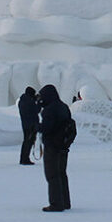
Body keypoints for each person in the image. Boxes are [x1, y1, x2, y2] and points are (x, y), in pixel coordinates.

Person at [37, 84, 71, 212]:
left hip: (52, 145)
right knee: (62, 174)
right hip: (64, 145)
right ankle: (65, 202)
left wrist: (37, 127)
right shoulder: (64, 107)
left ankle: (56, 204)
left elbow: (47, 128)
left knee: (52, 175)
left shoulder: (49, 110)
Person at [18, 86, 40, 165]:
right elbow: (36, 110)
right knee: (28, 142)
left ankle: (23, 158)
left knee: (26, 141)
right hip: (31, 125)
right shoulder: (29, 101)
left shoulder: (23, 100)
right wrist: (38, 103)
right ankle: (25, 159)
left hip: (26, 124)